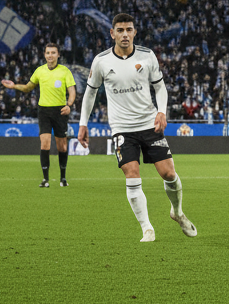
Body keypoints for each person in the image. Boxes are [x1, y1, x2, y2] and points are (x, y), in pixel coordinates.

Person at [77, 13, 196, 242]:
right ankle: (147, 228)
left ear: (135, 32)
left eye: (128, 29)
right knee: (131, 174)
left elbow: (160, 88)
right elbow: (90, 93)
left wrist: (162, 111)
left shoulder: (147, 56)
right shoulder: (101, 61)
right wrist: (83, 123)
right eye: (120, 30)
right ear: (112, 33)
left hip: (149, 123)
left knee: (169, 174)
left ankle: (177, 212)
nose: (124, 34)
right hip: (122, 128)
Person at [2, 42, 76, 187]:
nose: (50, 55)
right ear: (44, 55)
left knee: (62, 146)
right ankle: (45, 179)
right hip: (44, 111)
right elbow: (28, 87)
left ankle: (63, 177)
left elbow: (72, 91)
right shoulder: (39, 71)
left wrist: (69, 105)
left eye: (53, 53)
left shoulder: (65, 71)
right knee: (45, 143)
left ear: (58, 55)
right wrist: (14, 86)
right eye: (48, 53)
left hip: (60, 111)